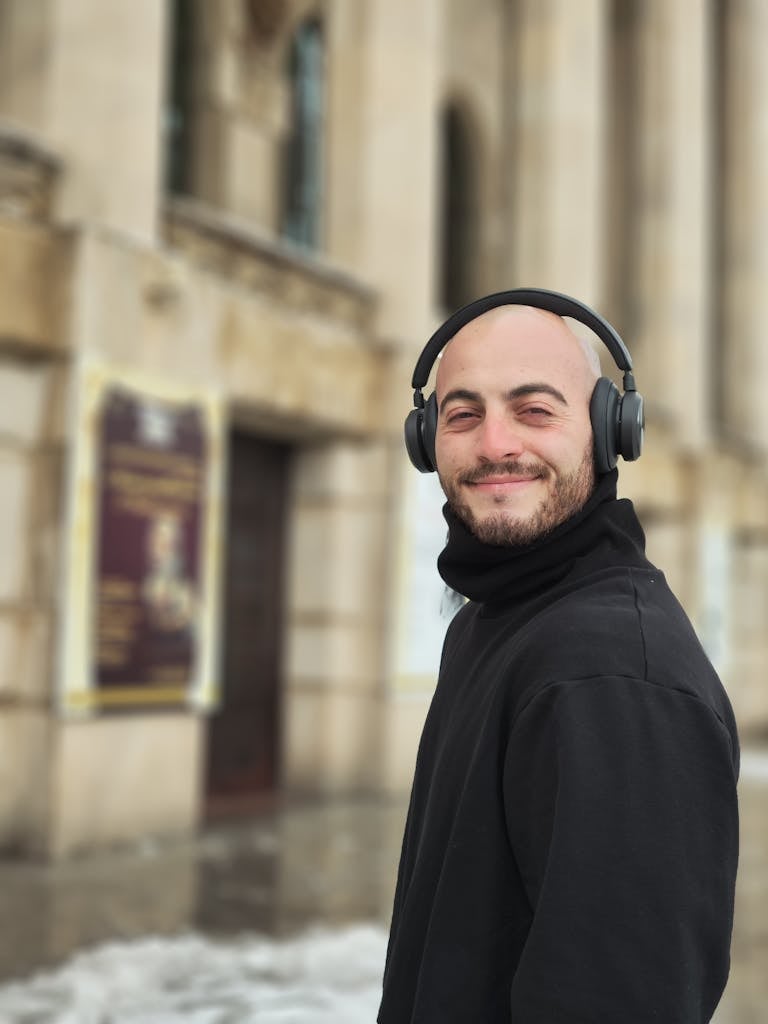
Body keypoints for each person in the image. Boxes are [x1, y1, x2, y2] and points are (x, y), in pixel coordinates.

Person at [378, 289, 739, 1023]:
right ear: (426, 439)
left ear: (609, 431)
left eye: (534, 410)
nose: (495, 444)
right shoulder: (497, 620)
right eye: (462, 413)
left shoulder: (609, 676)